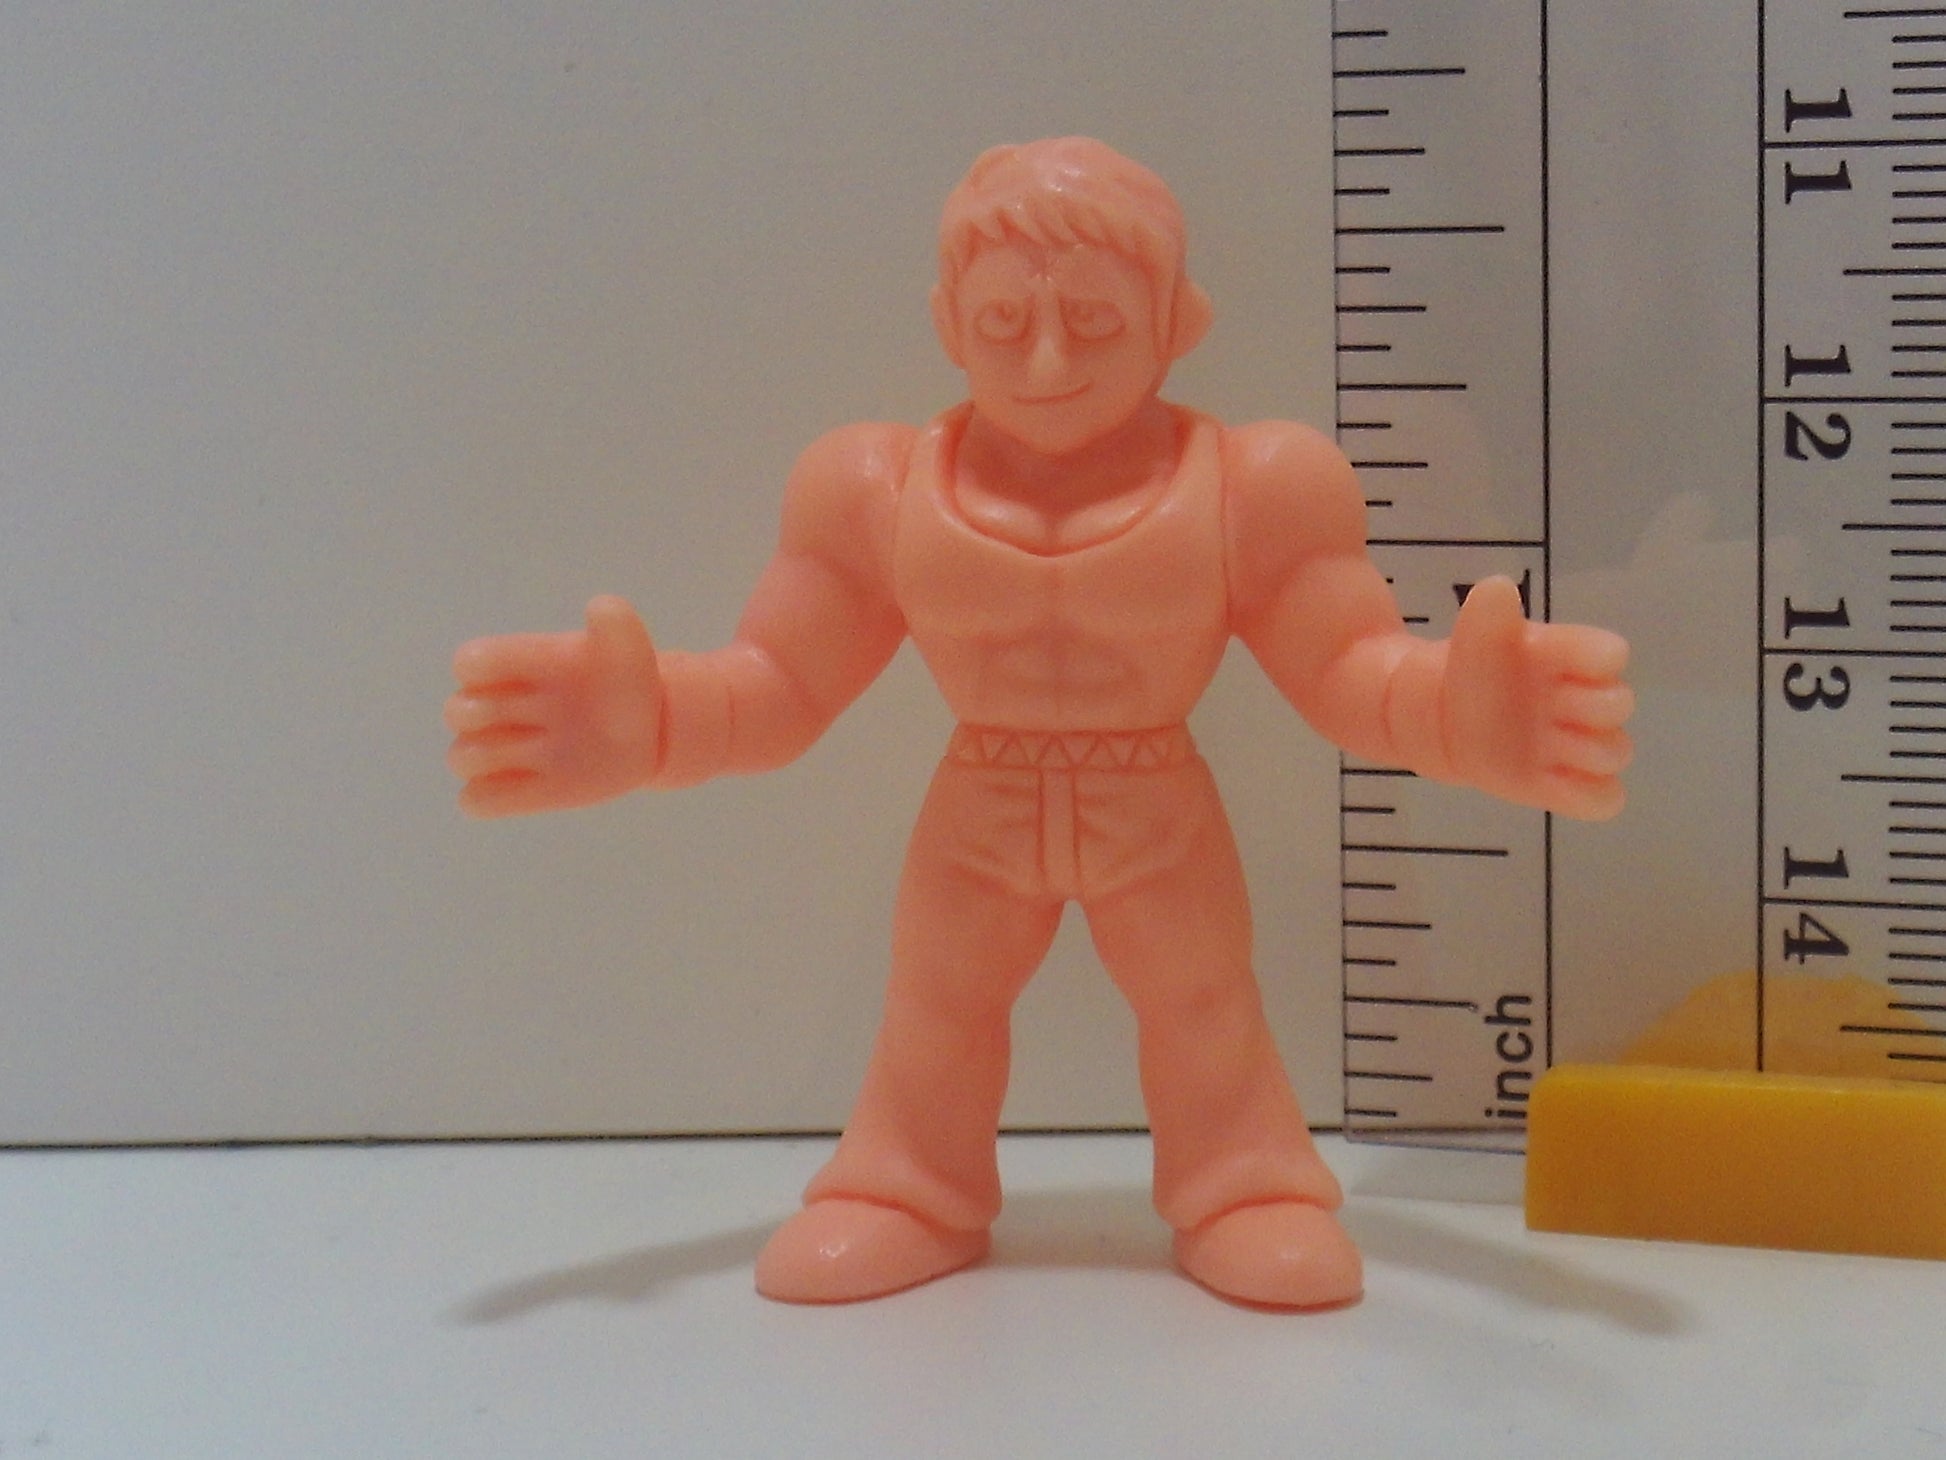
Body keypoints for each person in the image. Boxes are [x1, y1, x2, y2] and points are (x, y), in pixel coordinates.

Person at [444, 137, 1633, 1308]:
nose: (1048, 358)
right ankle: (907, 1185)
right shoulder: (870, 488)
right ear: (947, 323)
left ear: (1177, 321)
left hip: (1152, 796)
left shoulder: (1255, 484)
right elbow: (777, 684)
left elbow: (1343, 668)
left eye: (1097, 321)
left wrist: (1451, 713)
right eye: (1004, 322)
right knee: (933, 1008)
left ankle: (1243, 1186)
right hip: (981, 796)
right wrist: (652, 720)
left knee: (1203, 1004)